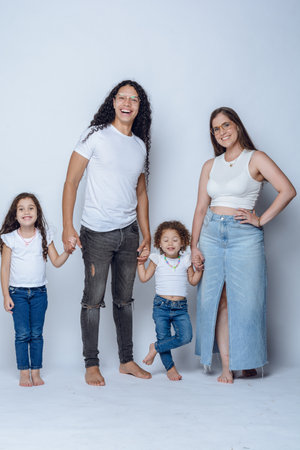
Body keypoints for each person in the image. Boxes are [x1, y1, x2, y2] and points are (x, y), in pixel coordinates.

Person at [191, 107, 296, 384]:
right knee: (218, 300)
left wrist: (260, 219)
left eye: (226, 125)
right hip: (212, 235)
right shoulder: (209, 165)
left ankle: (246, 362)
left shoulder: (256, 158)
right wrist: (194, 246)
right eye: (216, 129)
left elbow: (288, 190)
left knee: (248, 302)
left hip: (244, 236)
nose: (222, 132)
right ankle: (227, 367)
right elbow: (201, 208)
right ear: (213, 134)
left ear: (236, 126)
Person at [62, 80, 152, 386]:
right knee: (93, 299)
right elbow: (71, 182)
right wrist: (67, 227)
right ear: (113, 102)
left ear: (140, 107)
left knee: (125, 300)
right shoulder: (95, 135)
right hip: (97, 233)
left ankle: (126, 361)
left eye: (134, 99)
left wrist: (147, 234)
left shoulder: (139, 145)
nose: (127, 103)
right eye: (122, 97)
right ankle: (91, 363)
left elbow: (141, 194)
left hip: (129, 234)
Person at [0, 193, 73, 387]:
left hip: (40, 293)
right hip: (18, 293)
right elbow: (5, 268)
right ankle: (24, 372)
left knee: (37, 333)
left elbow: (56, 262)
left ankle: (36, 371)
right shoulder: (10, 239)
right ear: (15, 215)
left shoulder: (44, 235)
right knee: (22, 333)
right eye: (21, 209)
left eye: (30, 208)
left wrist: (67, 251)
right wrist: (6, 295)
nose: (26, 212)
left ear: (37, 212)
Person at [137, 221, 202, 380]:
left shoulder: (186, 260)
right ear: (159, 243)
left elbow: (193, 281)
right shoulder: (156, 259)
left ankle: (156, 347)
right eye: (165, 240)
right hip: (161, 306)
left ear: (183, 242)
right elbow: (144, 277)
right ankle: (170, 368)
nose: (170, 243)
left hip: (180, 308)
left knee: (186, 336)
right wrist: (140, 263)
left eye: (175, 239)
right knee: (164, 336)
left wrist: (199, 270)